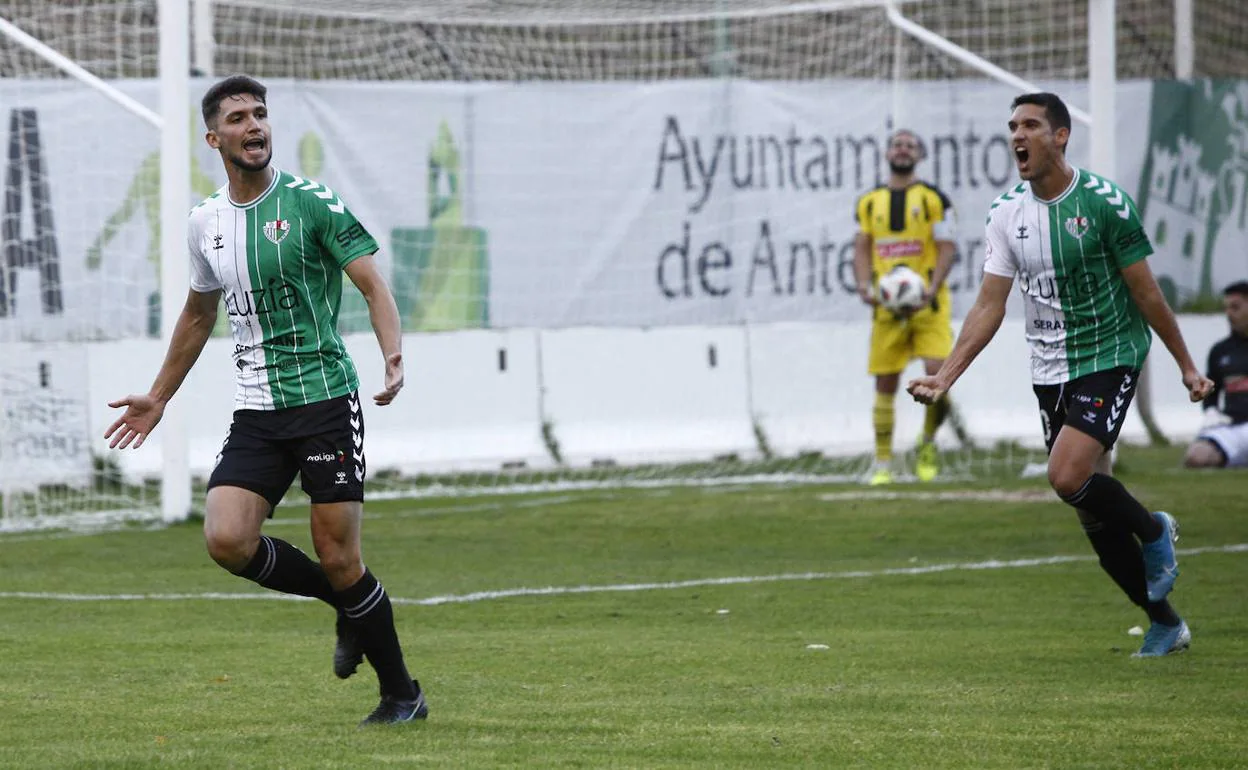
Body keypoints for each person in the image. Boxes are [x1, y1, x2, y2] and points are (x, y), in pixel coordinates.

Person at [104, 75, 427, 724]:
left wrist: (392, 354)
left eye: (261, 114)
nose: (255, 126)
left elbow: (372, 284)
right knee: (226, 539)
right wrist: (159, 397)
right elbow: (198, 316)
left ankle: (402, 694)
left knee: (341, 557)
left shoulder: (311, 203)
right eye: (239, 118)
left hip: (326, 403)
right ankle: (344, 606)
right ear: (214, 137)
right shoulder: (207, 223)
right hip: (257, 410)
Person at [906, 92, 1214, 658]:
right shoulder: (1006, 214)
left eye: (1030, 125)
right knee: (1092, 516)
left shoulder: (1104, 204)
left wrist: (1187, 366)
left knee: (1066, 476)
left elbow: (1147, 293)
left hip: (1111, 353)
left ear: (1060, 135)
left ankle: (1154, 529)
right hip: (1050, 369)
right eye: (1012, 127)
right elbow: (988, 306)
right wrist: (945, 376)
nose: (1017, 136)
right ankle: (1165, 622)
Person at [853, 129, 958, 485]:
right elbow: (862, 246)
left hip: (928, 304)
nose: (902, 150)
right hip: (887, 308)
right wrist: (864, 285)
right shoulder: (869, 202)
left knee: (939, 374)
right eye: (897, 145)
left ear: (920, 154)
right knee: (885, 382)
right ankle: (883, 463)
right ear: (886, 153)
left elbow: (946, 247)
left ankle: (926, 444)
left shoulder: (933, 199)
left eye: (910, 145)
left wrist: (931, 287)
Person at [1184, 280, 1248, 468]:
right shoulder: (1220, 351)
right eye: (1226, 308)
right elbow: (1211, 392)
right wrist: (1211, 411)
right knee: (1197, 457)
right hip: (1232, 427)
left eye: (1235, 307)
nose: (1229, 314)